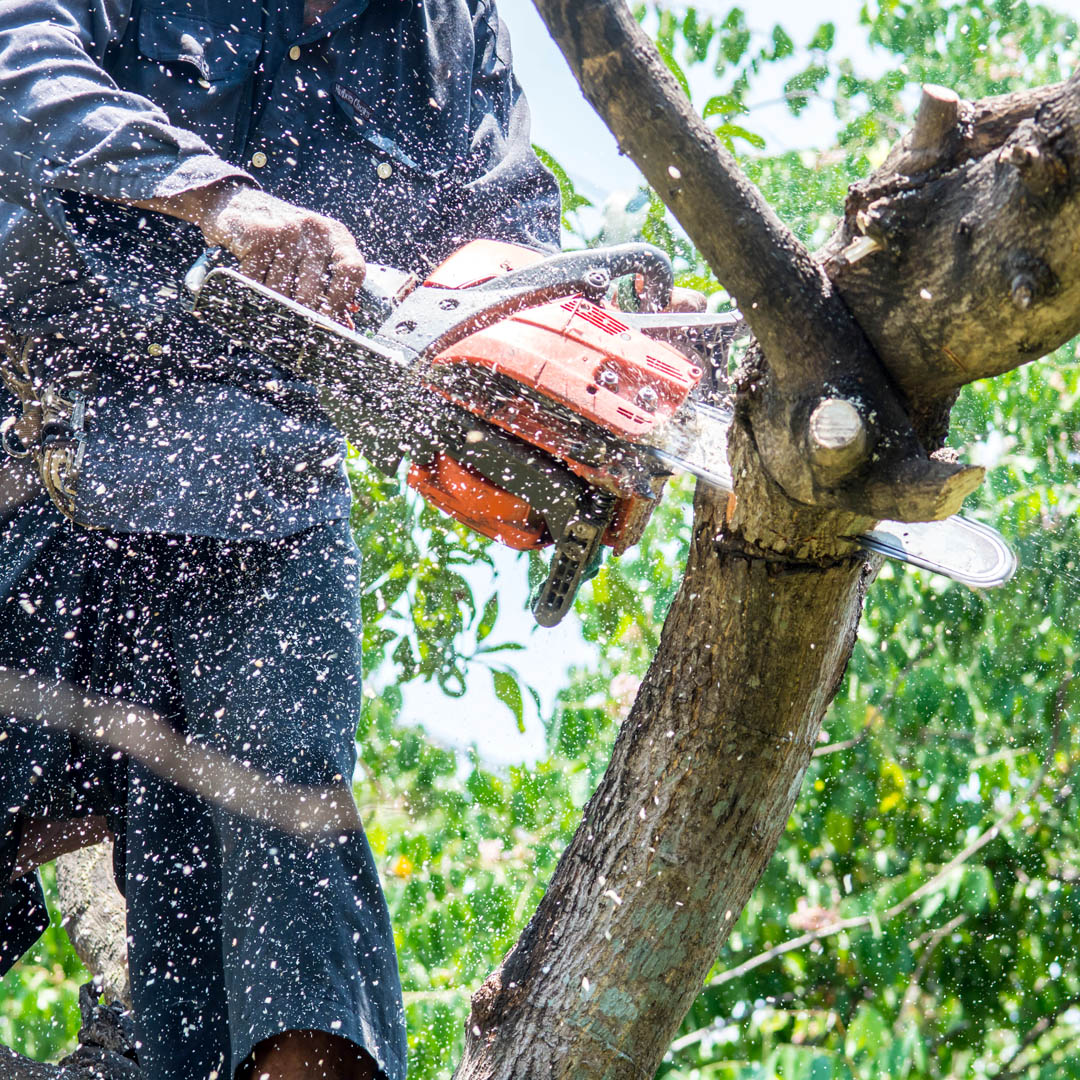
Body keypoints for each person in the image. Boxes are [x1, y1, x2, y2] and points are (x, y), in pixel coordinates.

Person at [0, 1, 560, 1078]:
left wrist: (583, 353)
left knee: (290, 842)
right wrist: (220, 198)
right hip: (43, 434)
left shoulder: (444, 26)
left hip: (263, 484)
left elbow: (502, 230)